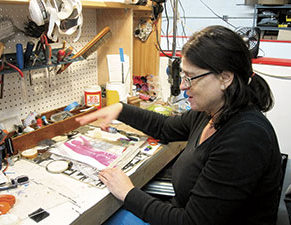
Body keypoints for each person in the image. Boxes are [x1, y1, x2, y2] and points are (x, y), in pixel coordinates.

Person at [75, 25, 282, 225]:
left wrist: (128, 192)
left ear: (225, 78)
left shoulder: (245, 138)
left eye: (190, 77)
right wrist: (120, 109)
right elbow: (165, 127)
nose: (183, 86)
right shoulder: (212, 111)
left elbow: (191, 222)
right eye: (183, 76)